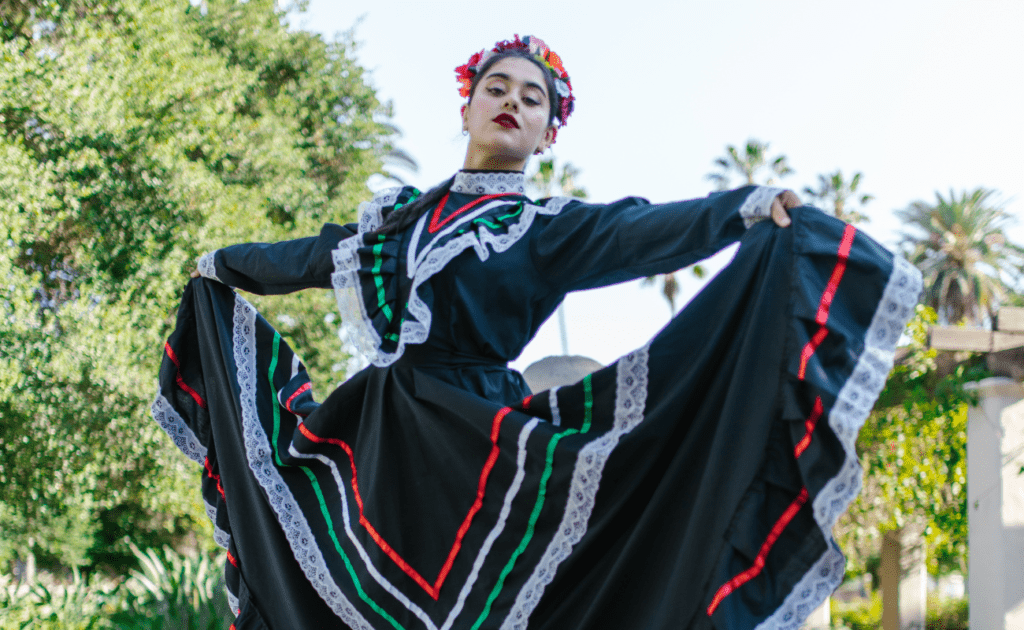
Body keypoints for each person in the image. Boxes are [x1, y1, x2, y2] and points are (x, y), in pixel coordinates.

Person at [157, 35, 921, 630]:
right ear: (466, 108)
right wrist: (220, 265)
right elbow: (307, 258)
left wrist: (746, 208)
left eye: (533, 99)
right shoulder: (393, 225)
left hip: (476, 440)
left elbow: (641, 230)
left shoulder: (543, 227)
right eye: (497, 89)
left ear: (547, 134)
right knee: (322, 570)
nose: (512, 103)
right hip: (380, 439)